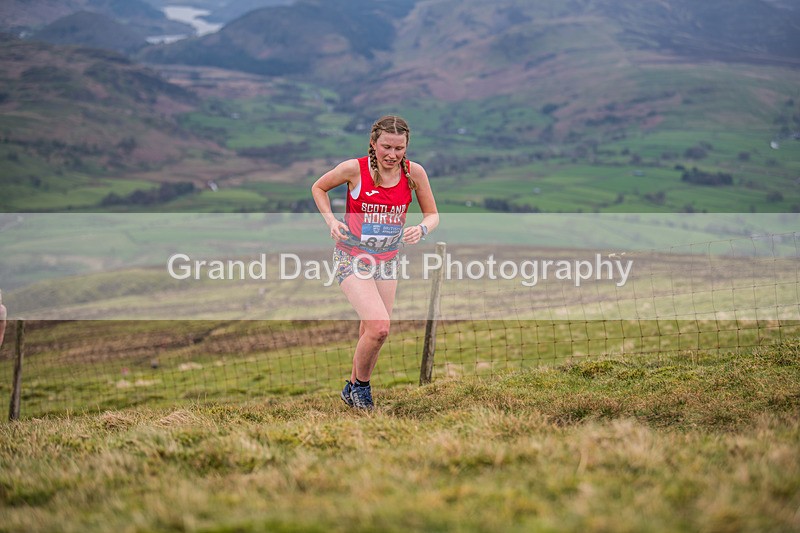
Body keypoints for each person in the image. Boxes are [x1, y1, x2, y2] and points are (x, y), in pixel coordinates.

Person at [311, 115, 439, 410]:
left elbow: (433, 215)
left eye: (399, 148)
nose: (392, 155)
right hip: (351, 255)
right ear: (373, 143)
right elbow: (318, 188)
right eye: (386, 147)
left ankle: (351, 389)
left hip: (388, 259)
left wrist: (421, 229)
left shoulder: (414, 174)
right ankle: (362, 389)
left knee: (370, 329)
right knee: (380, 327)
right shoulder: (354, 169)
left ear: (406, 147)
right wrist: (331, 221)